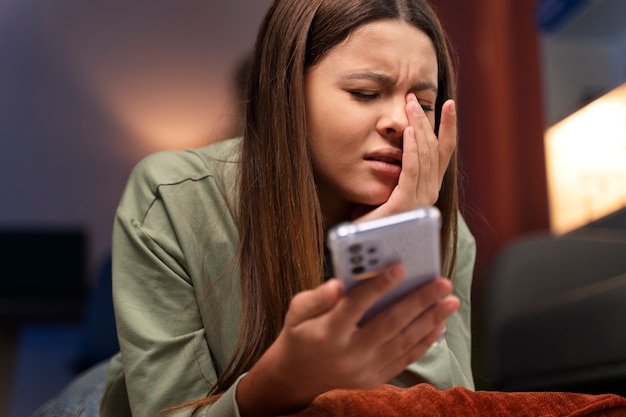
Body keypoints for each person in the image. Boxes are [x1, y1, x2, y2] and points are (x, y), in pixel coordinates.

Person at [33, 0, 476, 416]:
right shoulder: (171, 195)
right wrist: (278, 379)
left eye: (422, 105)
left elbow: (450, 404)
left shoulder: (442, 228)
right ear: (287, 93)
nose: (401, 122)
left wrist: (399, 243)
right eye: (364, 92)